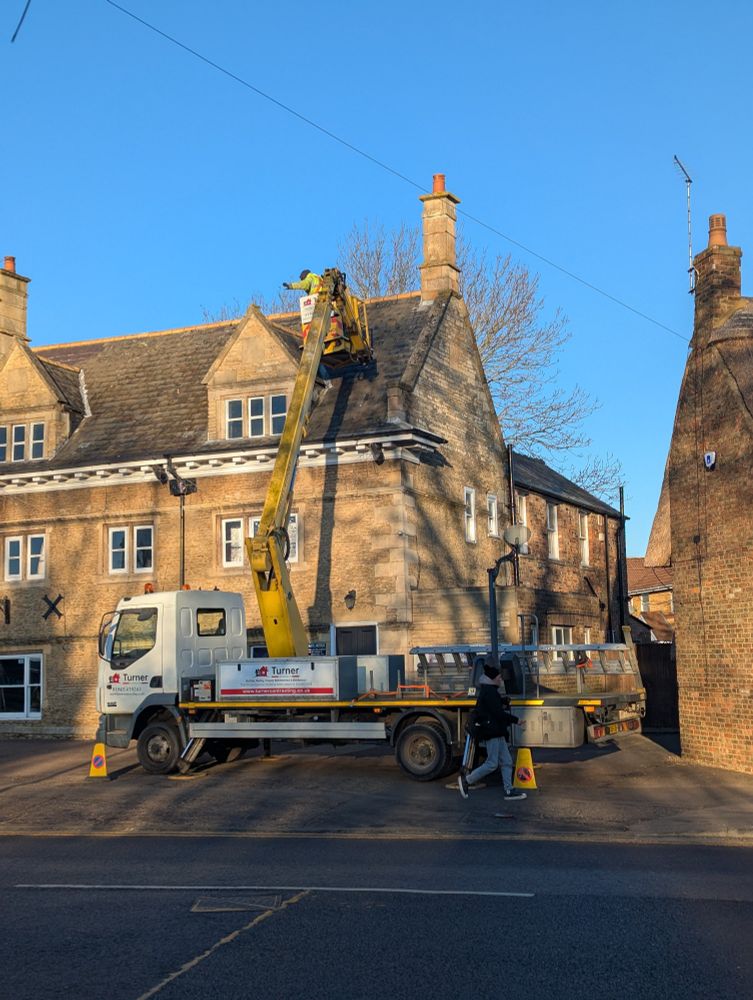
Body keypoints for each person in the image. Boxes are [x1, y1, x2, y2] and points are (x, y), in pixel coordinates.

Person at [458, 661, 527, 801]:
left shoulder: (489, 691)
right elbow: (497, 713)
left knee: (506, 761)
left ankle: (509, 790)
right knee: (492, 763)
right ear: (493, 679)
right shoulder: (490, 693)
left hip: (497, 731)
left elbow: (492, 708)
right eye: (499, 678)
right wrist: (516, 720)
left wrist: (501, 701)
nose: (501, 680)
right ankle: (467, 781)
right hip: (492, 731)